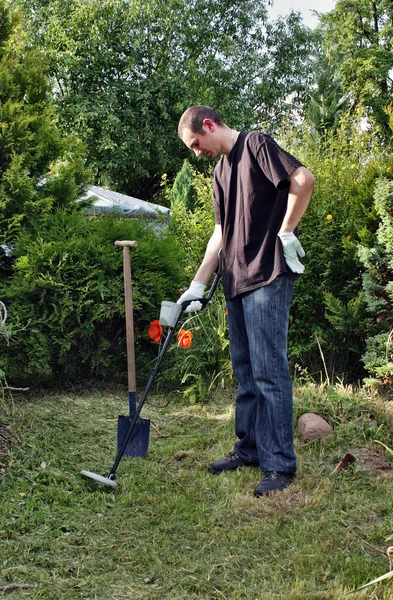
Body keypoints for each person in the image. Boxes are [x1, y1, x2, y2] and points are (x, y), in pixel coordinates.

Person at [177, 106, 315, 497]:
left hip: (267, 276)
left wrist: (286, 232)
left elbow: (303, 180)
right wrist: (197, 285)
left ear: (208, 124)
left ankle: (280, 467)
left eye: (196, 144)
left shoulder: (256, 145)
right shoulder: (221, 172)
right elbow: (220, 236)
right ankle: (250, 449)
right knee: (245, 372)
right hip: (235, 282)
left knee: (270, 372)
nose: (197, 153)